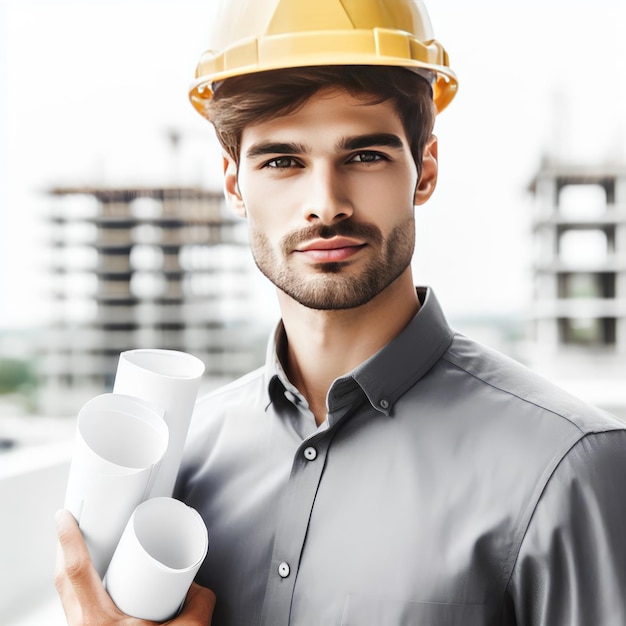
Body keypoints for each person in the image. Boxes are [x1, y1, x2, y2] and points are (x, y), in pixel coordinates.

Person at [56, 0, 626, 624]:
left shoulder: (565, 465)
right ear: (233, 182)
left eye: (364, 156)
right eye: (281, 161)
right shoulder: (182, 460)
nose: (324, 204)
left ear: (425, 170)